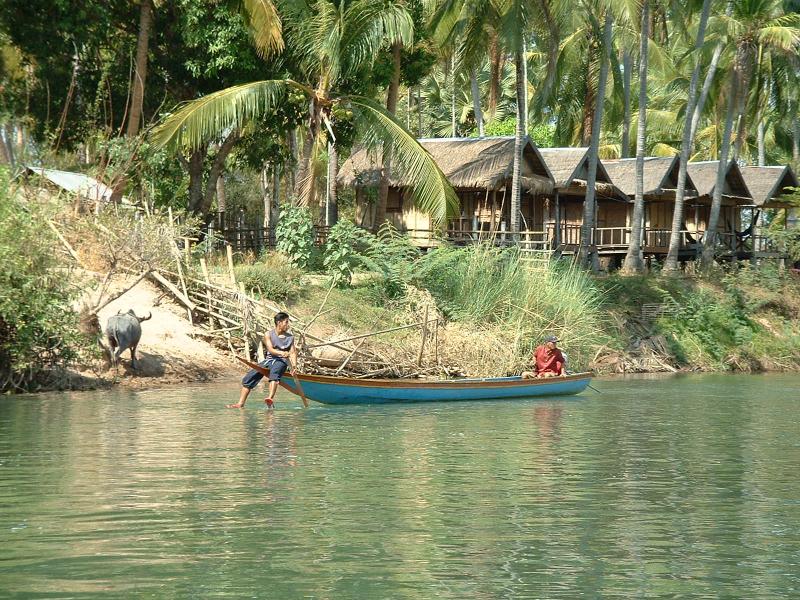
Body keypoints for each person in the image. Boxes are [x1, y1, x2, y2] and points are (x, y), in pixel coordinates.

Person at [227, 312, 297, 409]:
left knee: (274, 374)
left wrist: (294, 367)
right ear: (279, 323)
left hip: (282, 362)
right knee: (249, 377)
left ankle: (270, 398)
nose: (288, 325)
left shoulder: (290, 337)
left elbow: (293, 353)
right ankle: (240, 403)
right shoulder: (268, 334)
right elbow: (270, 349)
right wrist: (281, 353)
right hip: (269, 360)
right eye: (286, 322)